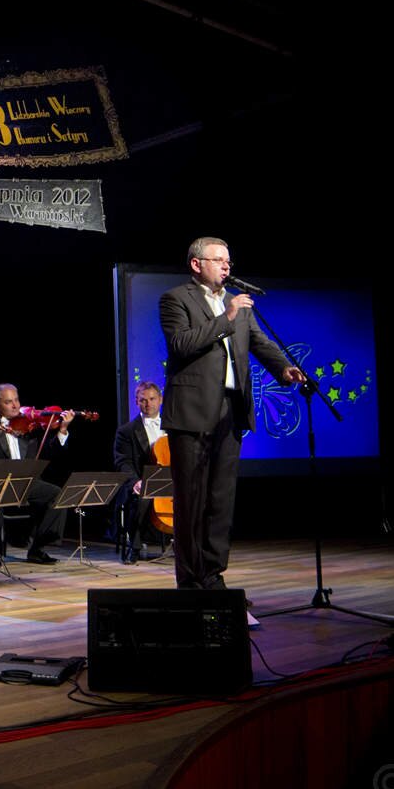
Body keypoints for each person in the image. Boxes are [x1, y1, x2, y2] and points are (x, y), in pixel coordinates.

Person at [159, 236, 303, 590]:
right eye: (218, 260)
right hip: (191, 412)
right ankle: (190, 582)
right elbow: (181, 344)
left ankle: (213, 577)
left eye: (228, 261)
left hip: (230, 409)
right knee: (191, 501)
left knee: (220, 500)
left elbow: (259, 342)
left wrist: (283, 368)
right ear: (197, 264)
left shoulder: (237, 304)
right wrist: (227, 317)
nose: (226, 266)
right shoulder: (176, 299)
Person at [0, 384, 73, 565]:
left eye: (16, 400)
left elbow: (48, 453)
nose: (15, 406)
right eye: (8, 402)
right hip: (0, 483)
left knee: (56, 495)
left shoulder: (29, 425)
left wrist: (62, 429)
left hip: (26, 482)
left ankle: (38, 549)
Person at [113, 381, 165, 564]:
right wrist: (135, 481)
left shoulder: (172, 427)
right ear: (136, 402)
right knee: (141, 498)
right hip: (141, 481)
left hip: (168, 481)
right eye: (143, 400)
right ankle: (134, 548)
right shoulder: (126, 431)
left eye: (152, 399)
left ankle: (188, 547)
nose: (148, 404)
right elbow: (123, 462)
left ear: (160, 399)